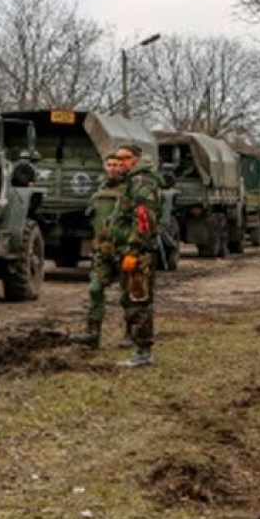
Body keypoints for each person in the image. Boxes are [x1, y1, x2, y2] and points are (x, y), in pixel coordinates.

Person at [108, 142, 163, 368]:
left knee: (138, 299)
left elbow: (143, 221)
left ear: (136, 159)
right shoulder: (131, 182)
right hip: (129, 251)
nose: (120, 163)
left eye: (125, 159)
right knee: (131, 299)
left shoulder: (142, 183)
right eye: (117, 159)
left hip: (138, 253)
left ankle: (143, 351)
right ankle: (138, 345)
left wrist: (134, 250)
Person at [70, 152, 125, 349]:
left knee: (129, 295)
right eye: (109, 164)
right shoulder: (99, 193)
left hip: (125, 250)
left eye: (116, 164)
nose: (112, 168)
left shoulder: (130, 191)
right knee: (95, 289)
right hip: (102, 251)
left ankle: (131, 333)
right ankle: (93, 333)